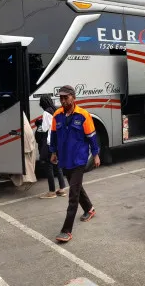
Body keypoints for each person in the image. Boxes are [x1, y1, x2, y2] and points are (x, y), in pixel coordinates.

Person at [49, 85, 100, 243]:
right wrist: (53, 152)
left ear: (73, 97)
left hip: (78, 159)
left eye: (66, 97)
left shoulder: (83, 115)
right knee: (75, 185)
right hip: (65, 158)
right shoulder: (57, 115)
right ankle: (89, 209)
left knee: (73, 194)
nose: (63, 100)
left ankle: (66, 230)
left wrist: (96, 154)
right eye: (61, 98)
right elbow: (54, 135)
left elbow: (92, 136)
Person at [36, 95, 67, 199]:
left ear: (42, 103)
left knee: (48, 165)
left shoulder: (46, 112)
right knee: (57, 164)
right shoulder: (56, 109)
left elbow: (45, 128)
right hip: (58, 141)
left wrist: (40, 122)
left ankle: (52, 191)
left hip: (50, 142)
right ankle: (62, 189)